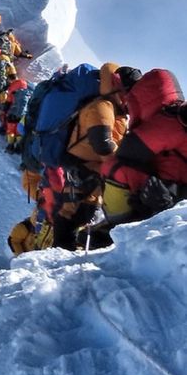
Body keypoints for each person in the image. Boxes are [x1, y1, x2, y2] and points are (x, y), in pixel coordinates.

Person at [50, 62, 135, 251]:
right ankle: (61, 249)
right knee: (72, 211)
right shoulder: (102, 106)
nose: (130, 99)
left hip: (92, 168)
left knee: (84, 211)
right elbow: (102, 144)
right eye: (128, 93)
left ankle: (69, 248)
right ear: (117, 88)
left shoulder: (117, 113)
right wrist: (120, 169)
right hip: (83, 166)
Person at [102, 67, 187, 224]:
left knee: (114, 167)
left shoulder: (168, 120)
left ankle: (115, 229)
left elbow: (128, 151)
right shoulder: (174, 114)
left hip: (173, 195)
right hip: (175, 188)